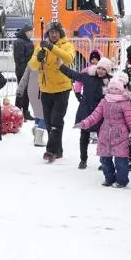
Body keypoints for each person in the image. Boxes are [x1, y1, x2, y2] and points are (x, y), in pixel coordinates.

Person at [76, 70, 131, 186]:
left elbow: (130, 120)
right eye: (112, 88)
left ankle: (122, 181)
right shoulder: (104, 101)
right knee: (105, 159)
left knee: (121, 160)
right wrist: (84, 123)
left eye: (116, 89)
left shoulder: (124, 103)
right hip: (105, 133)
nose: (113, 91)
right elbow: (95, 116)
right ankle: (109, 178)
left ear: (121, 90)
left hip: (120, 134)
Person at [31, 22, 80, 162]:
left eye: (56, 32)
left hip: (62, 90)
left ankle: (50, 151)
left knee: (56, 121)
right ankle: (58, 150)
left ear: (60, 33)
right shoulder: (40, 46)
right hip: (46, 90)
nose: (53, 34)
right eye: (51, 32)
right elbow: (33, 66)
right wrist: (38, 58)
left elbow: (68, 58)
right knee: (48, 122)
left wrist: (52, 48)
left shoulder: (67, 45)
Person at [70, 53, 108, 169]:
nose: (95, 63)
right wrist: (77, 93)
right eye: (93, 60)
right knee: (84, 135)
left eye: (97, 61)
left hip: (100, 113)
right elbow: (75, 77)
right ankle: (83, 159)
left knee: (102, 137)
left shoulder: (109, 81)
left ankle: (104, 161)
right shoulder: (87, 74)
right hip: (86, 110)